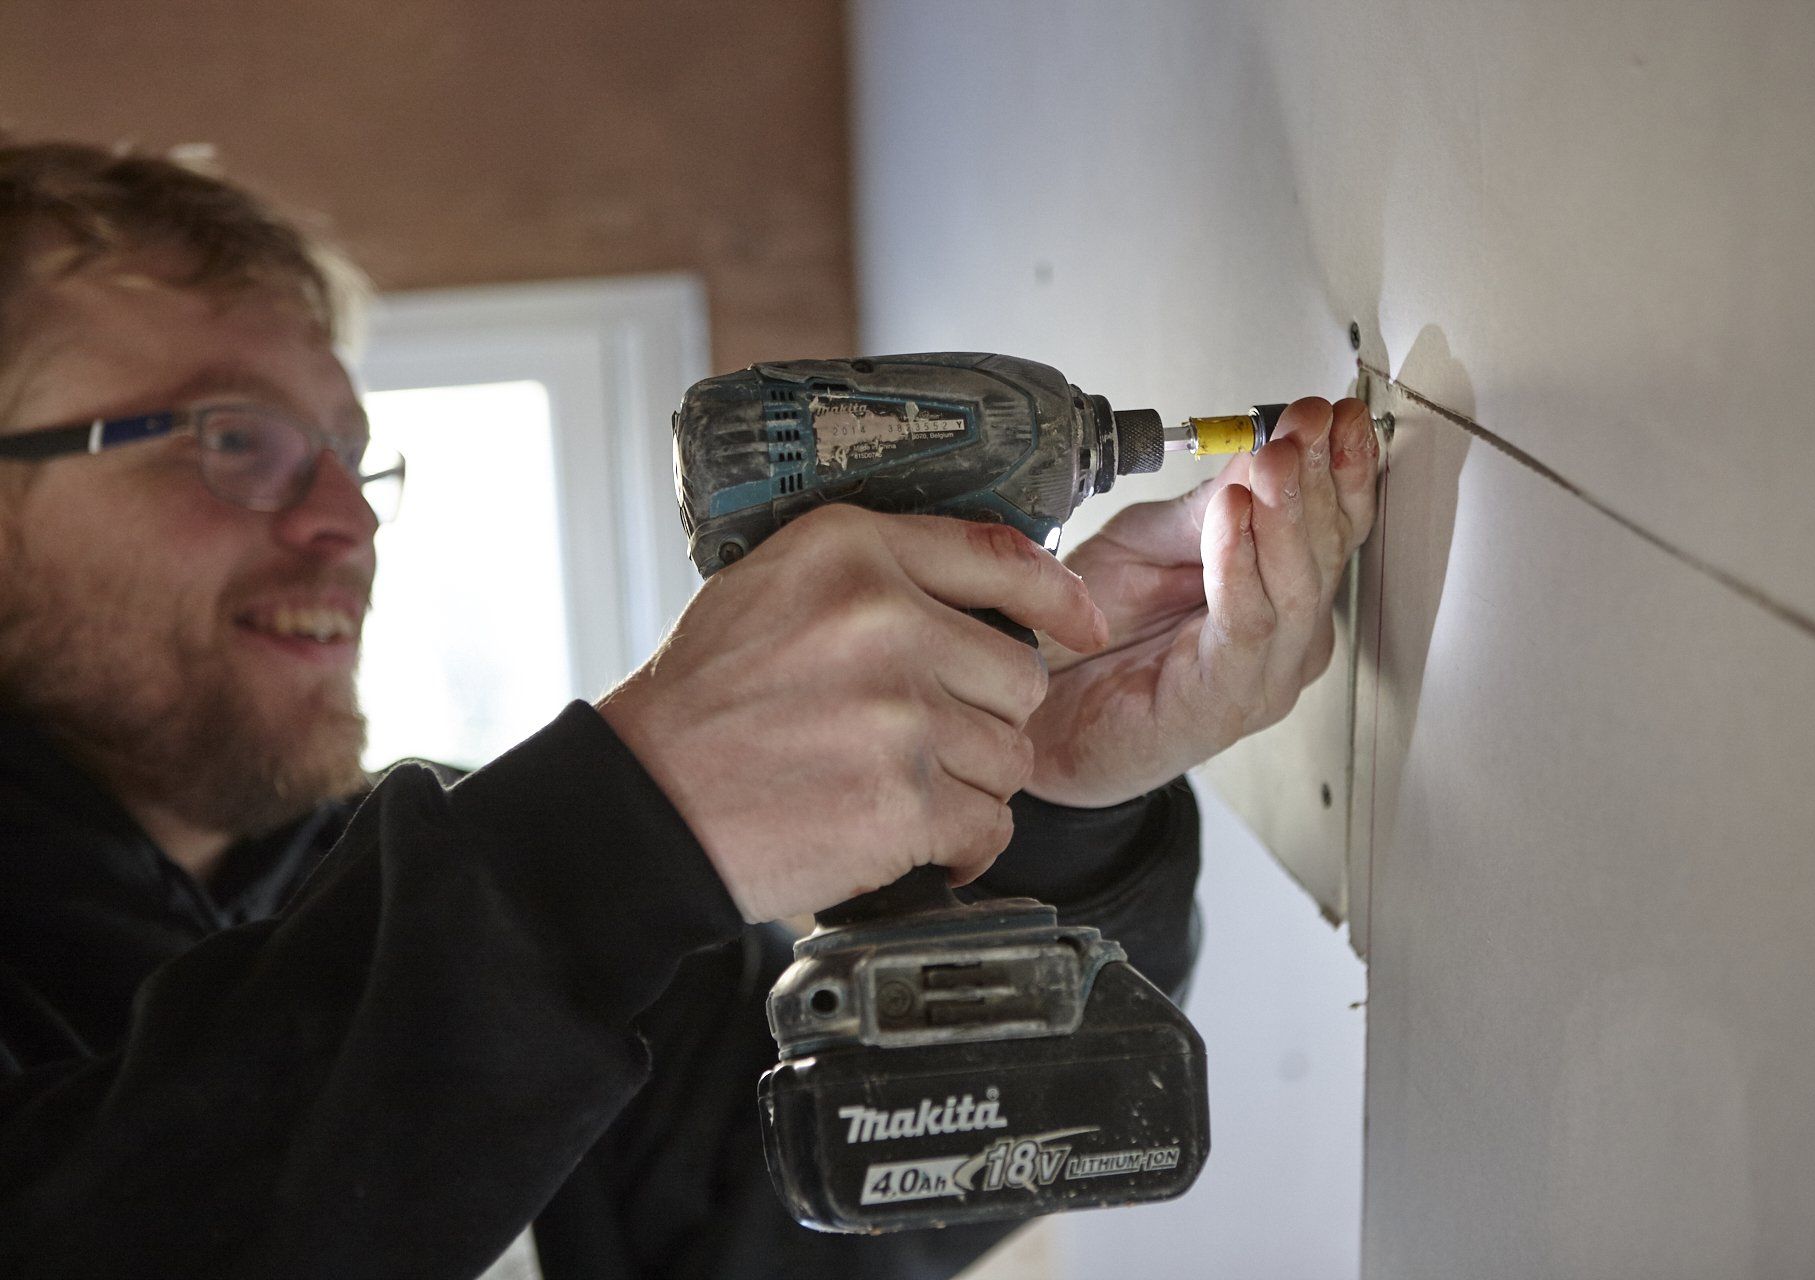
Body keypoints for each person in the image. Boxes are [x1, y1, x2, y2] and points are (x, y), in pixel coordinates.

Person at [0, 140, 1378, 1279]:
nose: (345, 523)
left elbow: (824, 1210)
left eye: (356, 461)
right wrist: (613, 834)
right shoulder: (502, 890)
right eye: (231, 440)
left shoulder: (390, 883)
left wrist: (1040, 792)